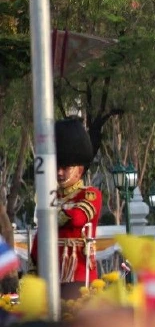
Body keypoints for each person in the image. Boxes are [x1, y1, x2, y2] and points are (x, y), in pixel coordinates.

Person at [31, 118, 102, 286]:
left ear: (80, 168)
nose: (60, 172)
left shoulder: (90, 194)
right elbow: (40, 235)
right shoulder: (51, 196)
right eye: (57, 167)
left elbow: (77, 219)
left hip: (77, 272)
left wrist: (50, 215)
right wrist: (33, 265)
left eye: (65, 168)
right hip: (50, 272)